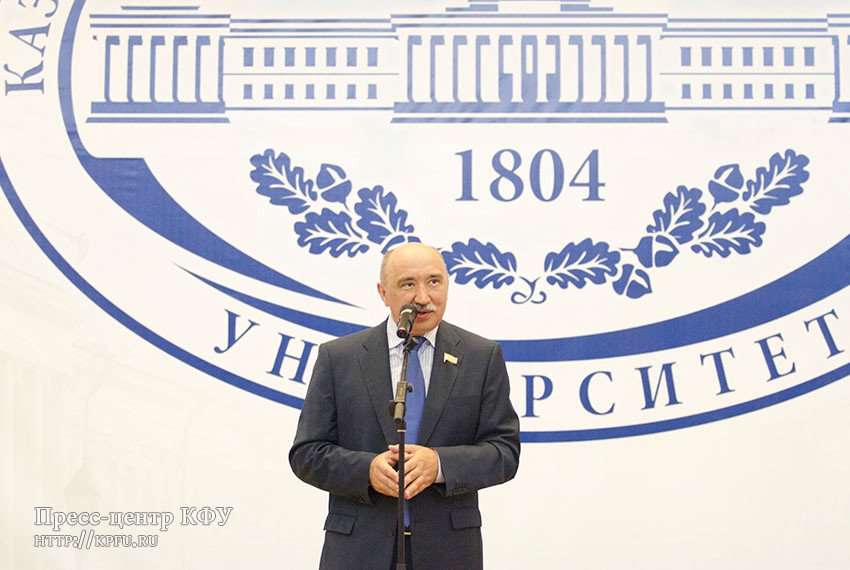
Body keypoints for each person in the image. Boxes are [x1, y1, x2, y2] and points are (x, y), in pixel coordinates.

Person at [290, 242, 521, 570]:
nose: (423, 297)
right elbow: (307, 453)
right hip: (358, 551)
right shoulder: (339, 358)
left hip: (449, 553)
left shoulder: (481, 357)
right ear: (383, 293)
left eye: (434, 281)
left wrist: (439, 464)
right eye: (408, 284)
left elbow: (504, 452)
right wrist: (366, 471)